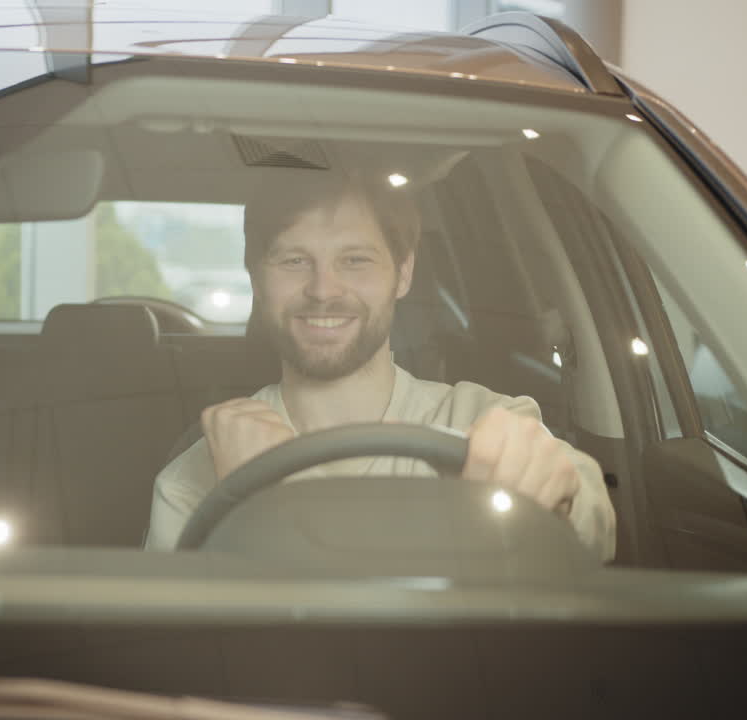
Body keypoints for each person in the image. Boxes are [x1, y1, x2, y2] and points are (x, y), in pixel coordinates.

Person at [145, 170, 616, 561]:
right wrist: (248, 505)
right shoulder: (203, 469)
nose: (324, 289)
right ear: (255, 276)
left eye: (355, 260)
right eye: (294, 260)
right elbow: (179, 636)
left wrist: (557, 492)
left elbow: (594, 528)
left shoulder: (481, 421)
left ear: (403, 272)